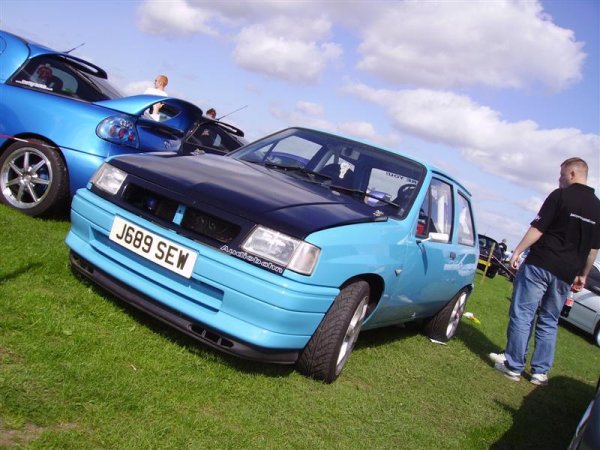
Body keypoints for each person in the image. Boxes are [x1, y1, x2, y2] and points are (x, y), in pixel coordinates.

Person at [489, 157, 600, 386]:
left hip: (541, 263)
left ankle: (513, 365)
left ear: (572, 174)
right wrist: (583, 274)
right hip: (566, 273)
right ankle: (540, 373)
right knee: (549, 320)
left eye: (562, 175)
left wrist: (517, 251)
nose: (559, 180)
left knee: (523, 312)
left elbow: (538, 228)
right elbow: (592, 249)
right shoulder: (597, 208)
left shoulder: (560, 196)